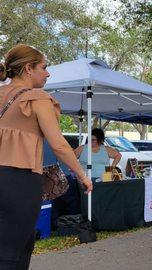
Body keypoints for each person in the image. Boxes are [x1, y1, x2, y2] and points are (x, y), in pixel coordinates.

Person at [0, 44, 93, 269]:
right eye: (44, 67)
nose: (48, 73)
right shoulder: (38, 98)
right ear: (28, 68)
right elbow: (59, 145)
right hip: (20, 180)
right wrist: (82, 175)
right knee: (16, 247)